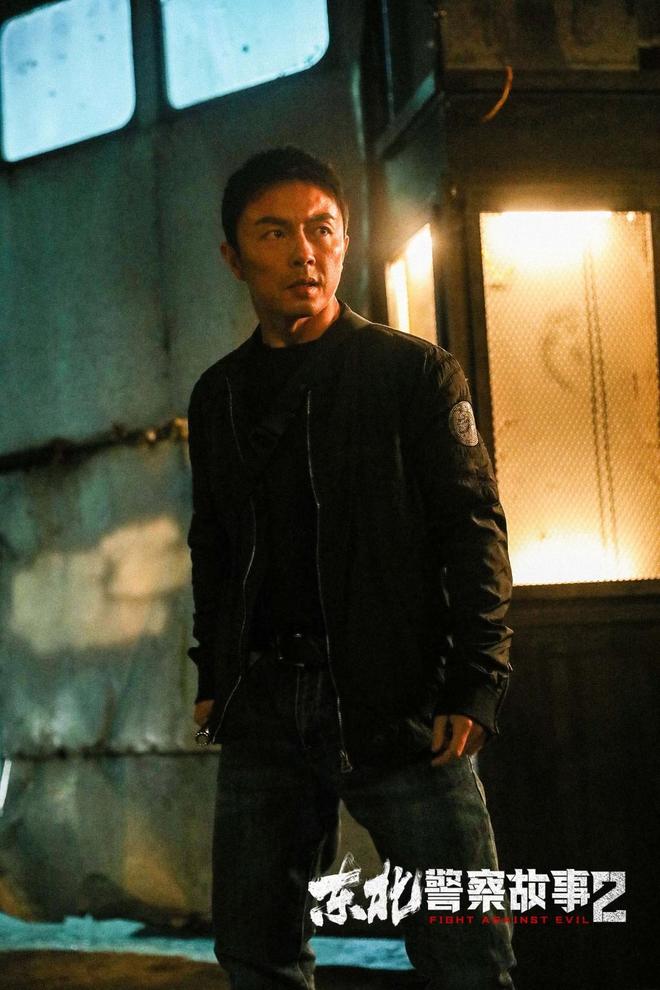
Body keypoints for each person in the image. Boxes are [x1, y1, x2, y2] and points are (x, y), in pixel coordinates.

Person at [186, 146, 516, 990]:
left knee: (466, 956)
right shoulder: (219, 395)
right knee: (256, 951)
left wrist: (477, 679)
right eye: (274, 233)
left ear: (344, 240)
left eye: (321, 229)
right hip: (266, 703)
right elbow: (213, 544)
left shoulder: (413, 373)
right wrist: (214, 673)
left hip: (397, 696)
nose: (304, 252)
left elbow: (474, 530)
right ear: (234, 257)